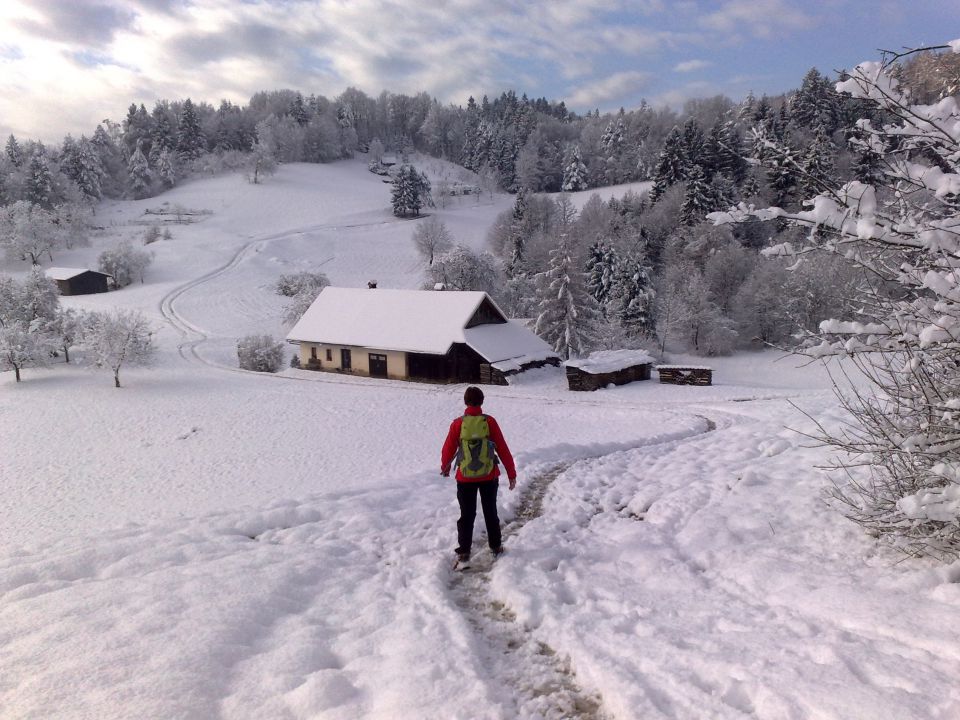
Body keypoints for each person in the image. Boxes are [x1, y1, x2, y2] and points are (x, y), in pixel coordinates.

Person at [440, 386, 517, 563]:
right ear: (482, 401)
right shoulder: (489, 422)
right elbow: (503, 448)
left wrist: (445, 467)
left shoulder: (458, 424)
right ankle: (496, 546)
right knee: (491, 511)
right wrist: (511, 473)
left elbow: (448, 449)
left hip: (465, 477)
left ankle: (464, 551)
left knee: (467, 514)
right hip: (489, 475)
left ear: (465, 402)